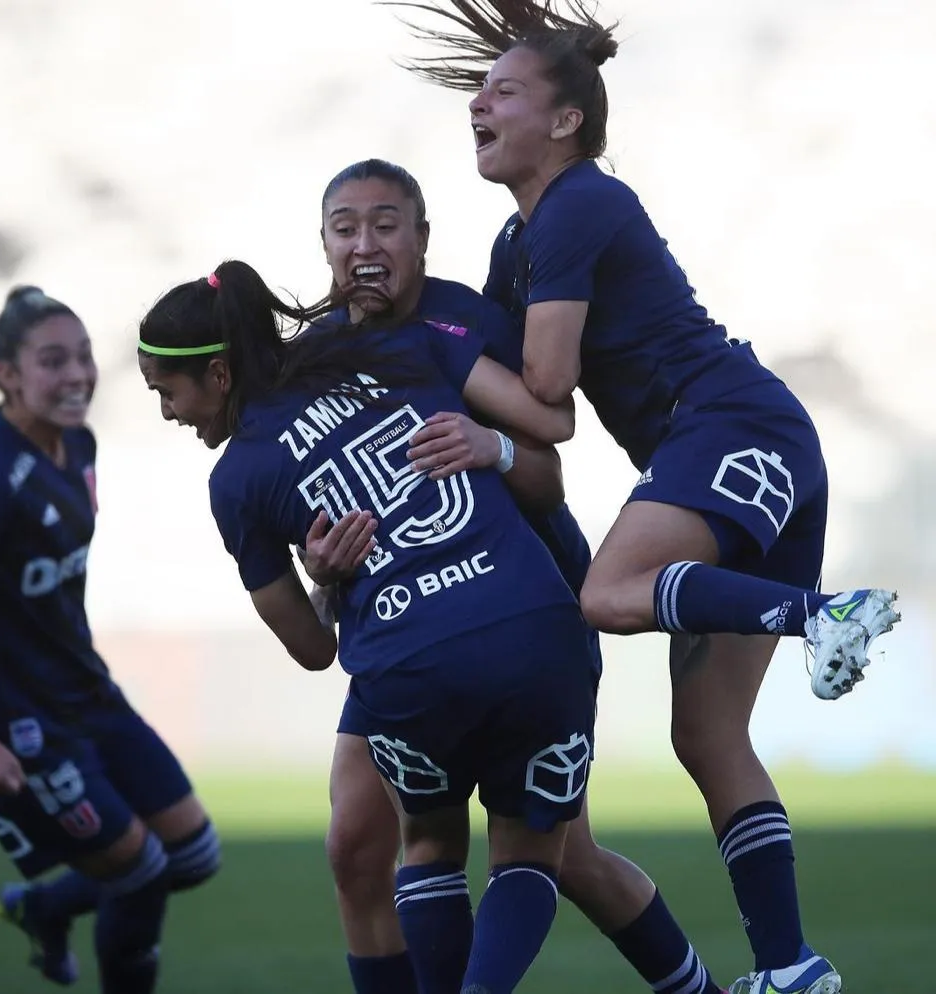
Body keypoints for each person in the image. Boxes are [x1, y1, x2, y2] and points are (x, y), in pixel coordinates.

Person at [386, 4, 901, 993]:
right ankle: (790, 966)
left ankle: (824, 612)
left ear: (568, 121)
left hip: (728, 425)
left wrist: (435, 343)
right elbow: (532, 419)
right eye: (478, 90)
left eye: (503, 90)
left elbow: (540, 390)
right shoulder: (516, 240)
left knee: (610, 589)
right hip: (752, 443)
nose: (477, 104)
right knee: (704, 736)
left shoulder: (577, 204)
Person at [304, 157, 726, 994]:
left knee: (563, 853)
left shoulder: (466, 322)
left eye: (386, 224)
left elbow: (547, 466)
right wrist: (320, 573)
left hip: (516, 605)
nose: (366, 244)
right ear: (322, 242)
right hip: (395, 626)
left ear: (422, 238)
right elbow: (316, 513)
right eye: (346, 227)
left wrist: (488, 444)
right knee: (357, 840)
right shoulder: (312, 359)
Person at [137, 257, 597, 994]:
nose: (166, 411)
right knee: (473, 852)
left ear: (219, 375)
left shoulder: (238, 480)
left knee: (438, 846)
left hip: (410, 663)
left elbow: (314, 647)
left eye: (166, 391)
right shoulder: (376, 349)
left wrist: (324, 582)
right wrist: (496, 448)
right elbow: (552, 428)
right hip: (536, 619)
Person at [0, 287, 220, 993]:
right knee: (140, 873)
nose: (78, 374)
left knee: (195, 856)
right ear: (9, 374)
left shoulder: (79, 444)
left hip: (86, 693)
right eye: (53, 361)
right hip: (19, 722)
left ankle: (45, 908)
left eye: (83, 357)